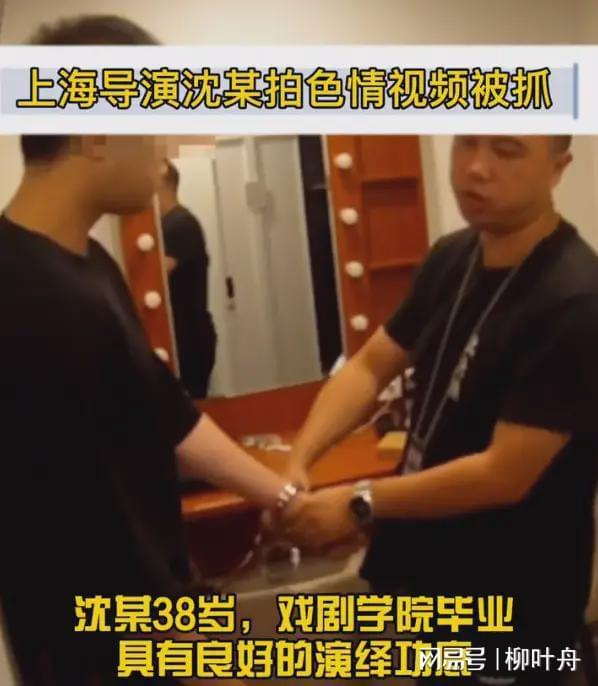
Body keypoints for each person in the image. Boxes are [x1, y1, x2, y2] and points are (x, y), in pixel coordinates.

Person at [0, 15, 304, 685]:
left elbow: (167, 417)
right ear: (97, 133)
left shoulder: (92, 267)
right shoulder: (19, 292)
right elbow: (70, 521)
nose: (163, 147)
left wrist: (282, 494)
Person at [281, 136, 598, 685]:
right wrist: (298, 461)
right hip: (432, 581)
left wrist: (360, 503)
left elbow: (503, 474)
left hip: (516, 609)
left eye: (507, 151)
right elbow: (369, 367)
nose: (476, 168)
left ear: (558, 168)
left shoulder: (576, 298)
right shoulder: (453, 257)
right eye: (466, 144)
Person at [158, 160, 217, 399]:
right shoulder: (164, 225)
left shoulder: (181, 224)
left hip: (190, 340)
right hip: (184, 337)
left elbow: (157, 275)